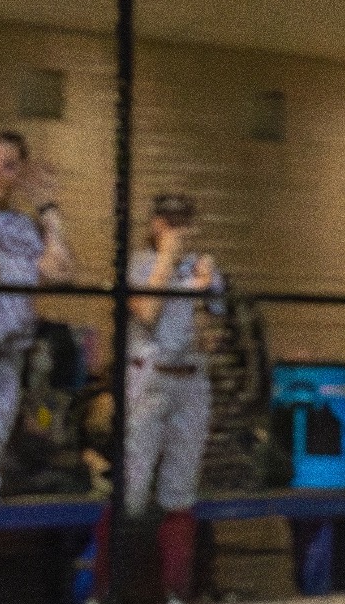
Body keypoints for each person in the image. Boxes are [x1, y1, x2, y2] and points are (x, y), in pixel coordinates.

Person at [90, 192, 225, 604]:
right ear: (154, 223)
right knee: (130, 489)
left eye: (183, 220)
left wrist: (204, 297)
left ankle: (176, 596)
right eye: (167, 220)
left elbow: (212, 333)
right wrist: (167, 258)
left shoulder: (204, 267)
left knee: (180, 492)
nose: (175, 228)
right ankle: (101, 592)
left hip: (191, 380)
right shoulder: (139, 263)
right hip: (148, 377)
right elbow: (146, 312)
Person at [0, 129, 75, 574]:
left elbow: (62, 270)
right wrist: (23, 270)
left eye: (9, 166)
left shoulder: (23, 226)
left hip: (3, 362)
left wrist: (49, 208)